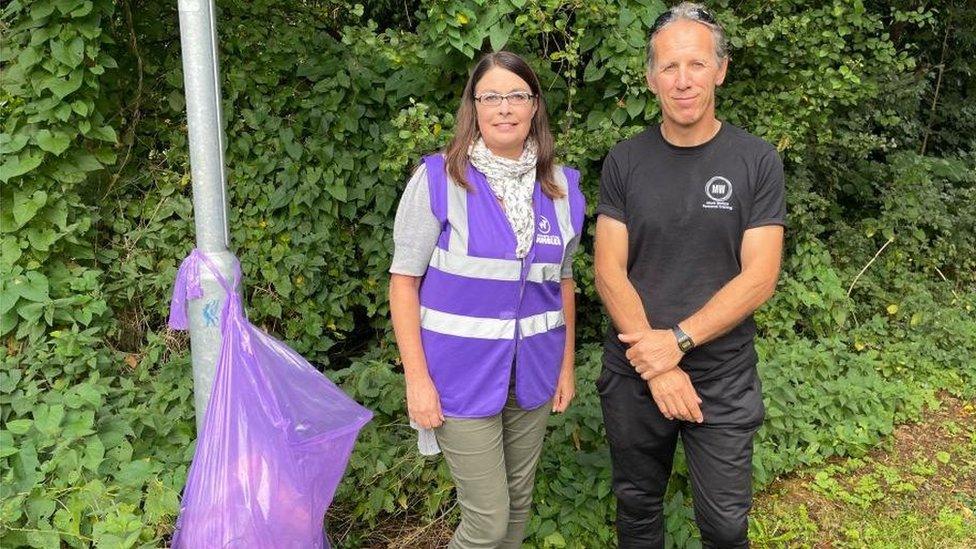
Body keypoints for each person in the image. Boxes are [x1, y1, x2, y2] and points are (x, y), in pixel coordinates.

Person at [593, 3, 786, 547]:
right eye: (669, 67)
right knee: (636, 509)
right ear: (652, 77)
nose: (683, 81)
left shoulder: (756, 160)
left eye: (697, 65)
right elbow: (608, 270)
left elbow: (759, 277)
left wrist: (678, 342)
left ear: (720, 70)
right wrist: (656, 366)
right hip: (634, 371)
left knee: (725, 526)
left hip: (722, 375)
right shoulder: (625, 160)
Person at [388, 51, 586, 548]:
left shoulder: (564, 187)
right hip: (457, 377)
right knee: (488, 522)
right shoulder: (437, 179)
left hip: (534, 374)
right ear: (473, 107)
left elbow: (562, 283)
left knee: (518, 507)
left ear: (534, 105)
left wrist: (566, 367)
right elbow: (403, 283)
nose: (504, 107)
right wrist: (417, 379)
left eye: (516, 96)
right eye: (490, 96)